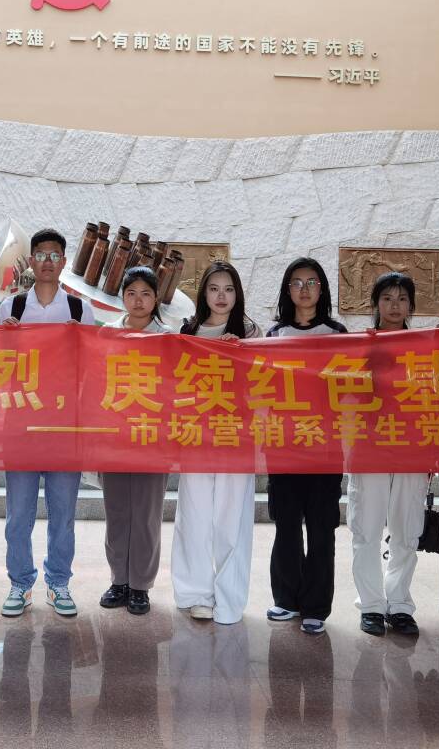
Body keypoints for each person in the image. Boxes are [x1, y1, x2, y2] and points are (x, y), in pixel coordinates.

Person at [0, 228, 96, 618]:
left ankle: (58, 582)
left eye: (55, 255)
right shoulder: (12, 308)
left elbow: (92, 368)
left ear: (64, 262)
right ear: (31, 261)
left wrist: (79, 343)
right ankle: (20, 583)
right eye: (41, 255)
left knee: (63, 513)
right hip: (21, 425)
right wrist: (5, 341)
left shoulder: (79, 310)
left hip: (65, 427)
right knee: (18, 514)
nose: (48, 262)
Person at [171, 260, 261, 625]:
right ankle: (195, 593)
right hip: (196, 434)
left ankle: (229, 598)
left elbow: (263, 383)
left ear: (237, 294)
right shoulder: (188, 330)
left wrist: (238, 354)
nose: (221, 296)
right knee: (194, 516)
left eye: (228, 289)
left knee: (231, 519)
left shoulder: (251, 331)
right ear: (203, 293)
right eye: (213, 289)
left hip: (236, 436)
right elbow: (175, 380)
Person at [264, 257, 348, 635]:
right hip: (283, 444)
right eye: (297, 282)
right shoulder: (274, 335)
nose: (304, 289)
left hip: (325, 446)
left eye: (311, 282)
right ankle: (286, 599)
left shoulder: (338, 334)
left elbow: (352, 384)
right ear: (288, 290)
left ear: (322, 289)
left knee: (321, 528)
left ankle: (315, 606)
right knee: (286, 525)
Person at [347, 271, 428, 636]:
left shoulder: (424, 347)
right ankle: (371, 605)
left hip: (413, 447)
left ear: (411, 306)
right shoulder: (360, 346)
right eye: (387, 298)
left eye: (402, 299)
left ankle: (399, 605)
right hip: (370, 446)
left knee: (406, 529)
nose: (395, 306)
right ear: (375, 304)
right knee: (366, 527)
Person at [99, 266, 170, 617]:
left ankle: (141, 584)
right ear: (122, 298)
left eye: (145, 293)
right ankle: (119, 581)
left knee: (146, 514)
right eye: (131, 293)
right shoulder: (105, 335)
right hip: (114, 437)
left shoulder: (169, 339)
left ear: (155, 299)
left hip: (153, 438)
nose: (138, 300)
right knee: (117, 512)